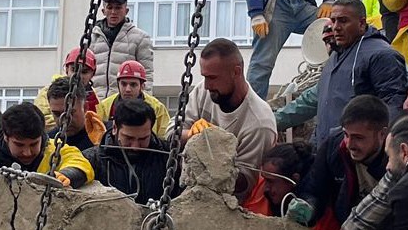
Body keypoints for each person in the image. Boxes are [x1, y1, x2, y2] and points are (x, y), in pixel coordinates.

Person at [181, 39, 278, 197]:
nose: (206, 85)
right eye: (204, 77)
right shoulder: (203, 92)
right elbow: (171, 134)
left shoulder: (260, 123)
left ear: (236, 72)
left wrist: (218, 157)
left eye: (212, 78)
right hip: (187, 191)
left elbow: (245, 184)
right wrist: (191, 134)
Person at [288, 96, 393, 230]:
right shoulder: (334, 147)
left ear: (382, 134)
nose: (349, 144)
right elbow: (314, 189)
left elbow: (405, 218)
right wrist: (309, 206)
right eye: (346, 134)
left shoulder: (396, 160)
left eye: (358, 137)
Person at [313, 0, 408, 148]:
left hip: (358, 155)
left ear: (362, 23)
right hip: (328, 152)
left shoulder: (381, 54)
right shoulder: (335, 57)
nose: (336, 27)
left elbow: (393, 105)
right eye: (334, 20)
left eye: (343, 21)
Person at [0, 101, 93, 187]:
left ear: (42, 136)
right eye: (19, 145)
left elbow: (79, 162)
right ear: (6, 137)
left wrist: (66, 175)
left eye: (34, 144)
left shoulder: (55, 149)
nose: (27, 153)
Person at [92, 97, 172, 203]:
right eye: (129, 138)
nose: (135, 146)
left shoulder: (168, 158)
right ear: (115, 128)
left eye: (143, 139)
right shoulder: (93, 160)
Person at [87, 0, 154, 96]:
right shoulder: (92, 38)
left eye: (118, 8)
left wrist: (144, 101)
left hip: (125, 100)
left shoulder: (140, 38)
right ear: (103, 11)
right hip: (97, 101)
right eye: (110, 7)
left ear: (126, 11)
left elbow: (147, 74)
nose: (113, 12)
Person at [95, 60, 170, 139]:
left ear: (142, 86)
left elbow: (164, 138)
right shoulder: (105, 106)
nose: (128, 89)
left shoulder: (158, 108)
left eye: (133, 85)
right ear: (118, 85)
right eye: (123, 84)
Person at [241, 143, 314, 217]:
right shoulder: (257, 189)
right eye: (265, 179)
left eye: (271, 181)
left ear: (294, 179)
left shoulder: (312, 212)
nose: (265, 188)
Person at [44, 77, 105, 154]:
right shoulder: (48, 142)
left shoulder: (104, 137)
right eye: (57, 114)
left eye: (70, 113)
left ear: (85, 107)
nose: (64, 120)